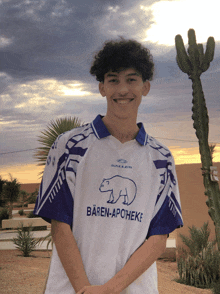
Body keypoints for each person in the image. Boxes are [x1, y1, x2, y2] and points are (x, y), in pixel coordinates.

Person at [34, 38, 183, 294]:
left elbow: (158, 239)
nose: (122, 89)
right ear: (102, 87)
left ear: (145, 87)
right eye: (113, 80)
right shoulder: (69, 146)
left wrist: (110, 289)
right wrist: (86, 289)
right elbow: (60, 225)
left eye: (131, 79)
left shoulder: (161, 158)